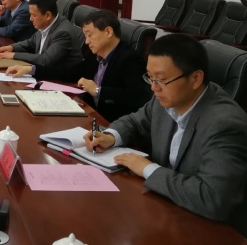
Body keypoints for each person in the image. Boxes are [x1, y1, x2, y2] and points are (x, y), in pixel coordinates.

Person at [85, 34, 247, 235]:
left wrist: (148, 169)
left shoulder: (225, 125)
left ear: (196, 78)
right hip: (168, 210)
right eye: (150, 77)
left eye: (161, 79)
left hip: (211, 230)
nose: (154, 88)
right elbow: (135, 121)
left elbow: (212, 198)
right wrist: (110, 136)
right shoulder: (166, 98)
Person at [9, 9, 149, 122]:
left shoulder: (131, 60)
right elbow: (69, 72)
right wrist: (31, 69)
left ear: (108, 32)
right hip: (89, 115)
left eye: (90, 35)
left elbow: (137, 98)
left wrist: (98, 91)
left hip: (110, 124)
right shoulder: (96, 55)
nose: (86, 42)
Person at [0, 0, 83, 68]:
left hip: (59, 79)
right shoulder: (47, 24)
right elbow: (32, 42)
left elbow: (46, 59)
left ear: (48, 15)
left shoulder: (63, 33)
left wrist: (14, 55)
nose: (31, 19)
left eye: (34, 15)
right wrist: (11, 47)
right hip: (43, 71)